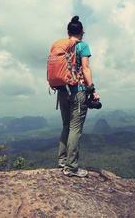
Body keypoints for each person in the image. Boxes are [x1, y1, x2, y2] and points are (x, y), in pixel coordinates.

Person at [57, 16, 100, 177]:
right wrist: (92, 90)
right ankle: (71, 167)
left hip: (62, 92)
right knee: (75, 128)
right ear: (82, 32)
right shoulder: (82, 46)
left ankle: (62, 161)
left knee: (66, 126)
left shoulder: (61, 47)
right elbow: (86, 68)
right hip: (78, 91)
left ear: (68, 33)